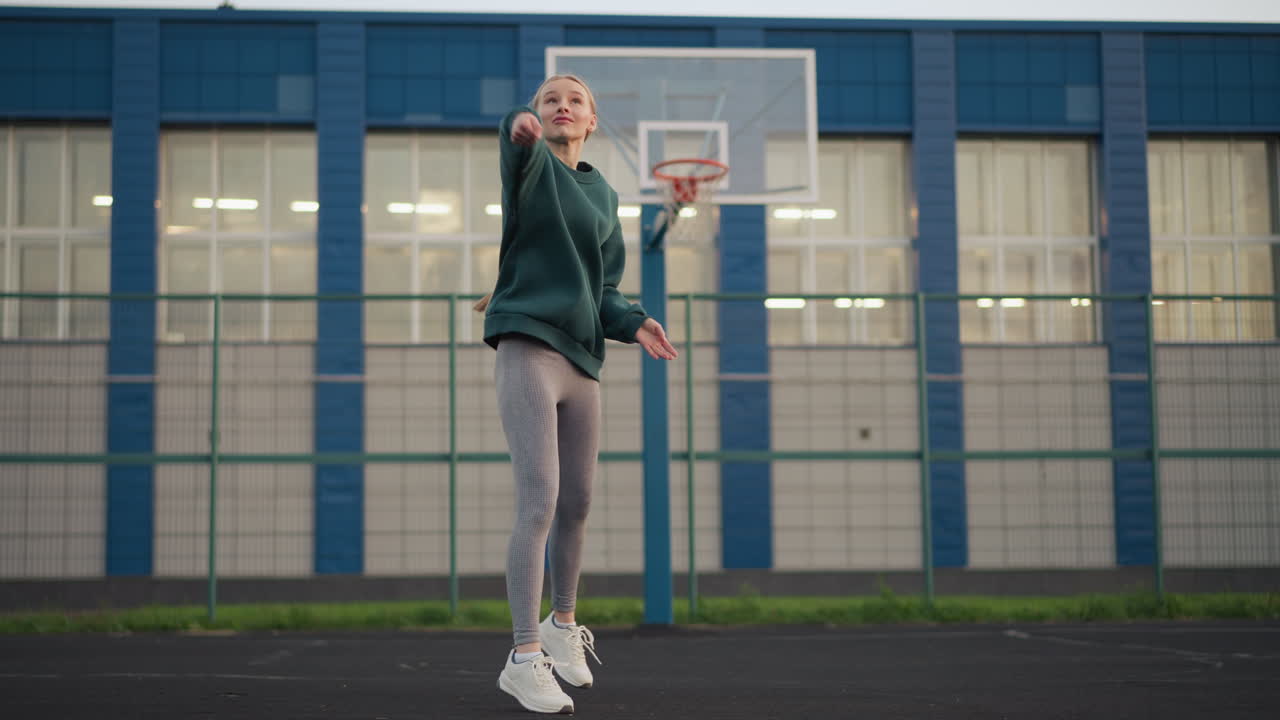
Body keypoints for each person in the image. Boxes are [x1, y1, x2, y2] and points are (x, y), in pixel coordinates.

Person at [476, 74, 679, 715]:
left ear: (592, 121)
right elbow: (514, 141)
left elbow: (605, 286)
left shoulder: (603, 193)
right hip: (528, 345)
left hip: (582, 359)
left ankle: (563, 626)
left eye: (575, 101)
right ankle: (523, 655)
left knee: (579, 502)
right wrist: (520, 128)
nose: (561, 106)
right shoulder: (531, 163)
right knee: (538, 500)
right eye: (549, 100)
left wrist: (633, 320)